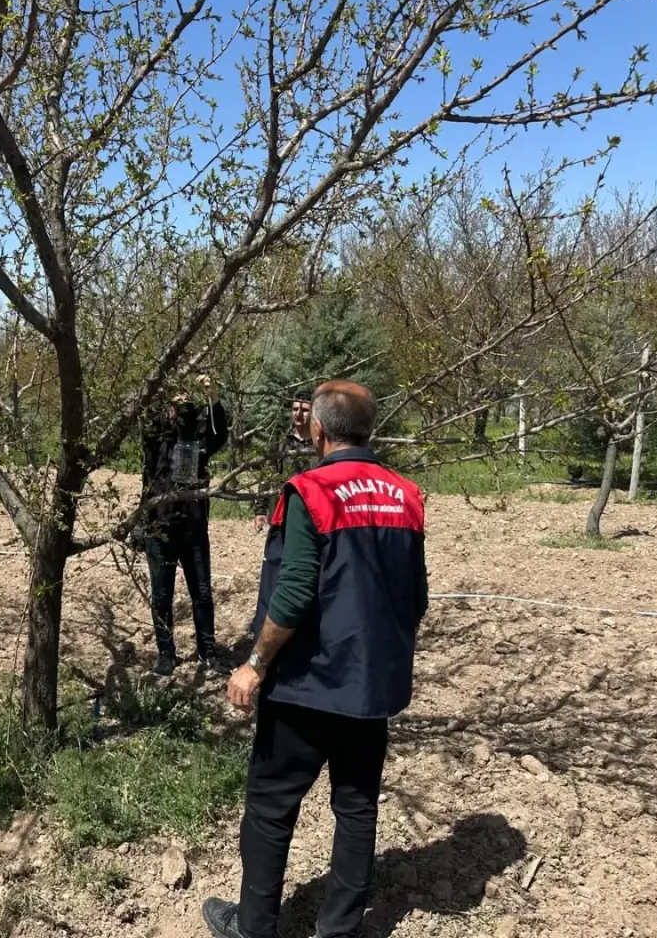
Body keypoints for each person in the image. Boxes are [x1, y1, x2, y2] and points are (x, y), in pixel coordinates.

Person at [203, 380, 428, 938]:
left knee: (271, 804)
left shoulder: (311, 492)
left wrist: (255, 664)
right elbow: (416, 597)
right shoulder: (406, 495)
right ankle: (340, 930)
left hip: (307, 684)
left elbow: (295, 591)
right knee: (357, 807)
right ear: (370, 428)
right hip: (370, 688)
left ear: (318, 429)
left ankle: (254, 926)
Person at [139, 374, 230, 676]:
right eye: (173, 396)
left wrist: (212, 397)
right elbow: (143, 414)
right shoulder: (155, 435)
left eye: (184, 395)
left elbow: (220, 433)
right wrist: (162, 391)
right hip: (160, 526)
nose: (180, 402)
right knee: (161, 596)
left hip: (193, 527)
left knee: (202, 593)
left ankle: (208, 652)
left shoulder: (198, 432)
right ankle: (166, 654)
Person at [250, 392, 315, 637]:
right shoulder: (280, 443)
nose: (298, 414)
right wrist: (260, 510)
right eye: (295, 409)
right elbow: (267, 476)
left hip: (311, 520)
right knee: (273, 571)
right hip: (281, 518)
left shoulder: (320, 443)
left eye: (304, 410)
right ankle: (263, 626)